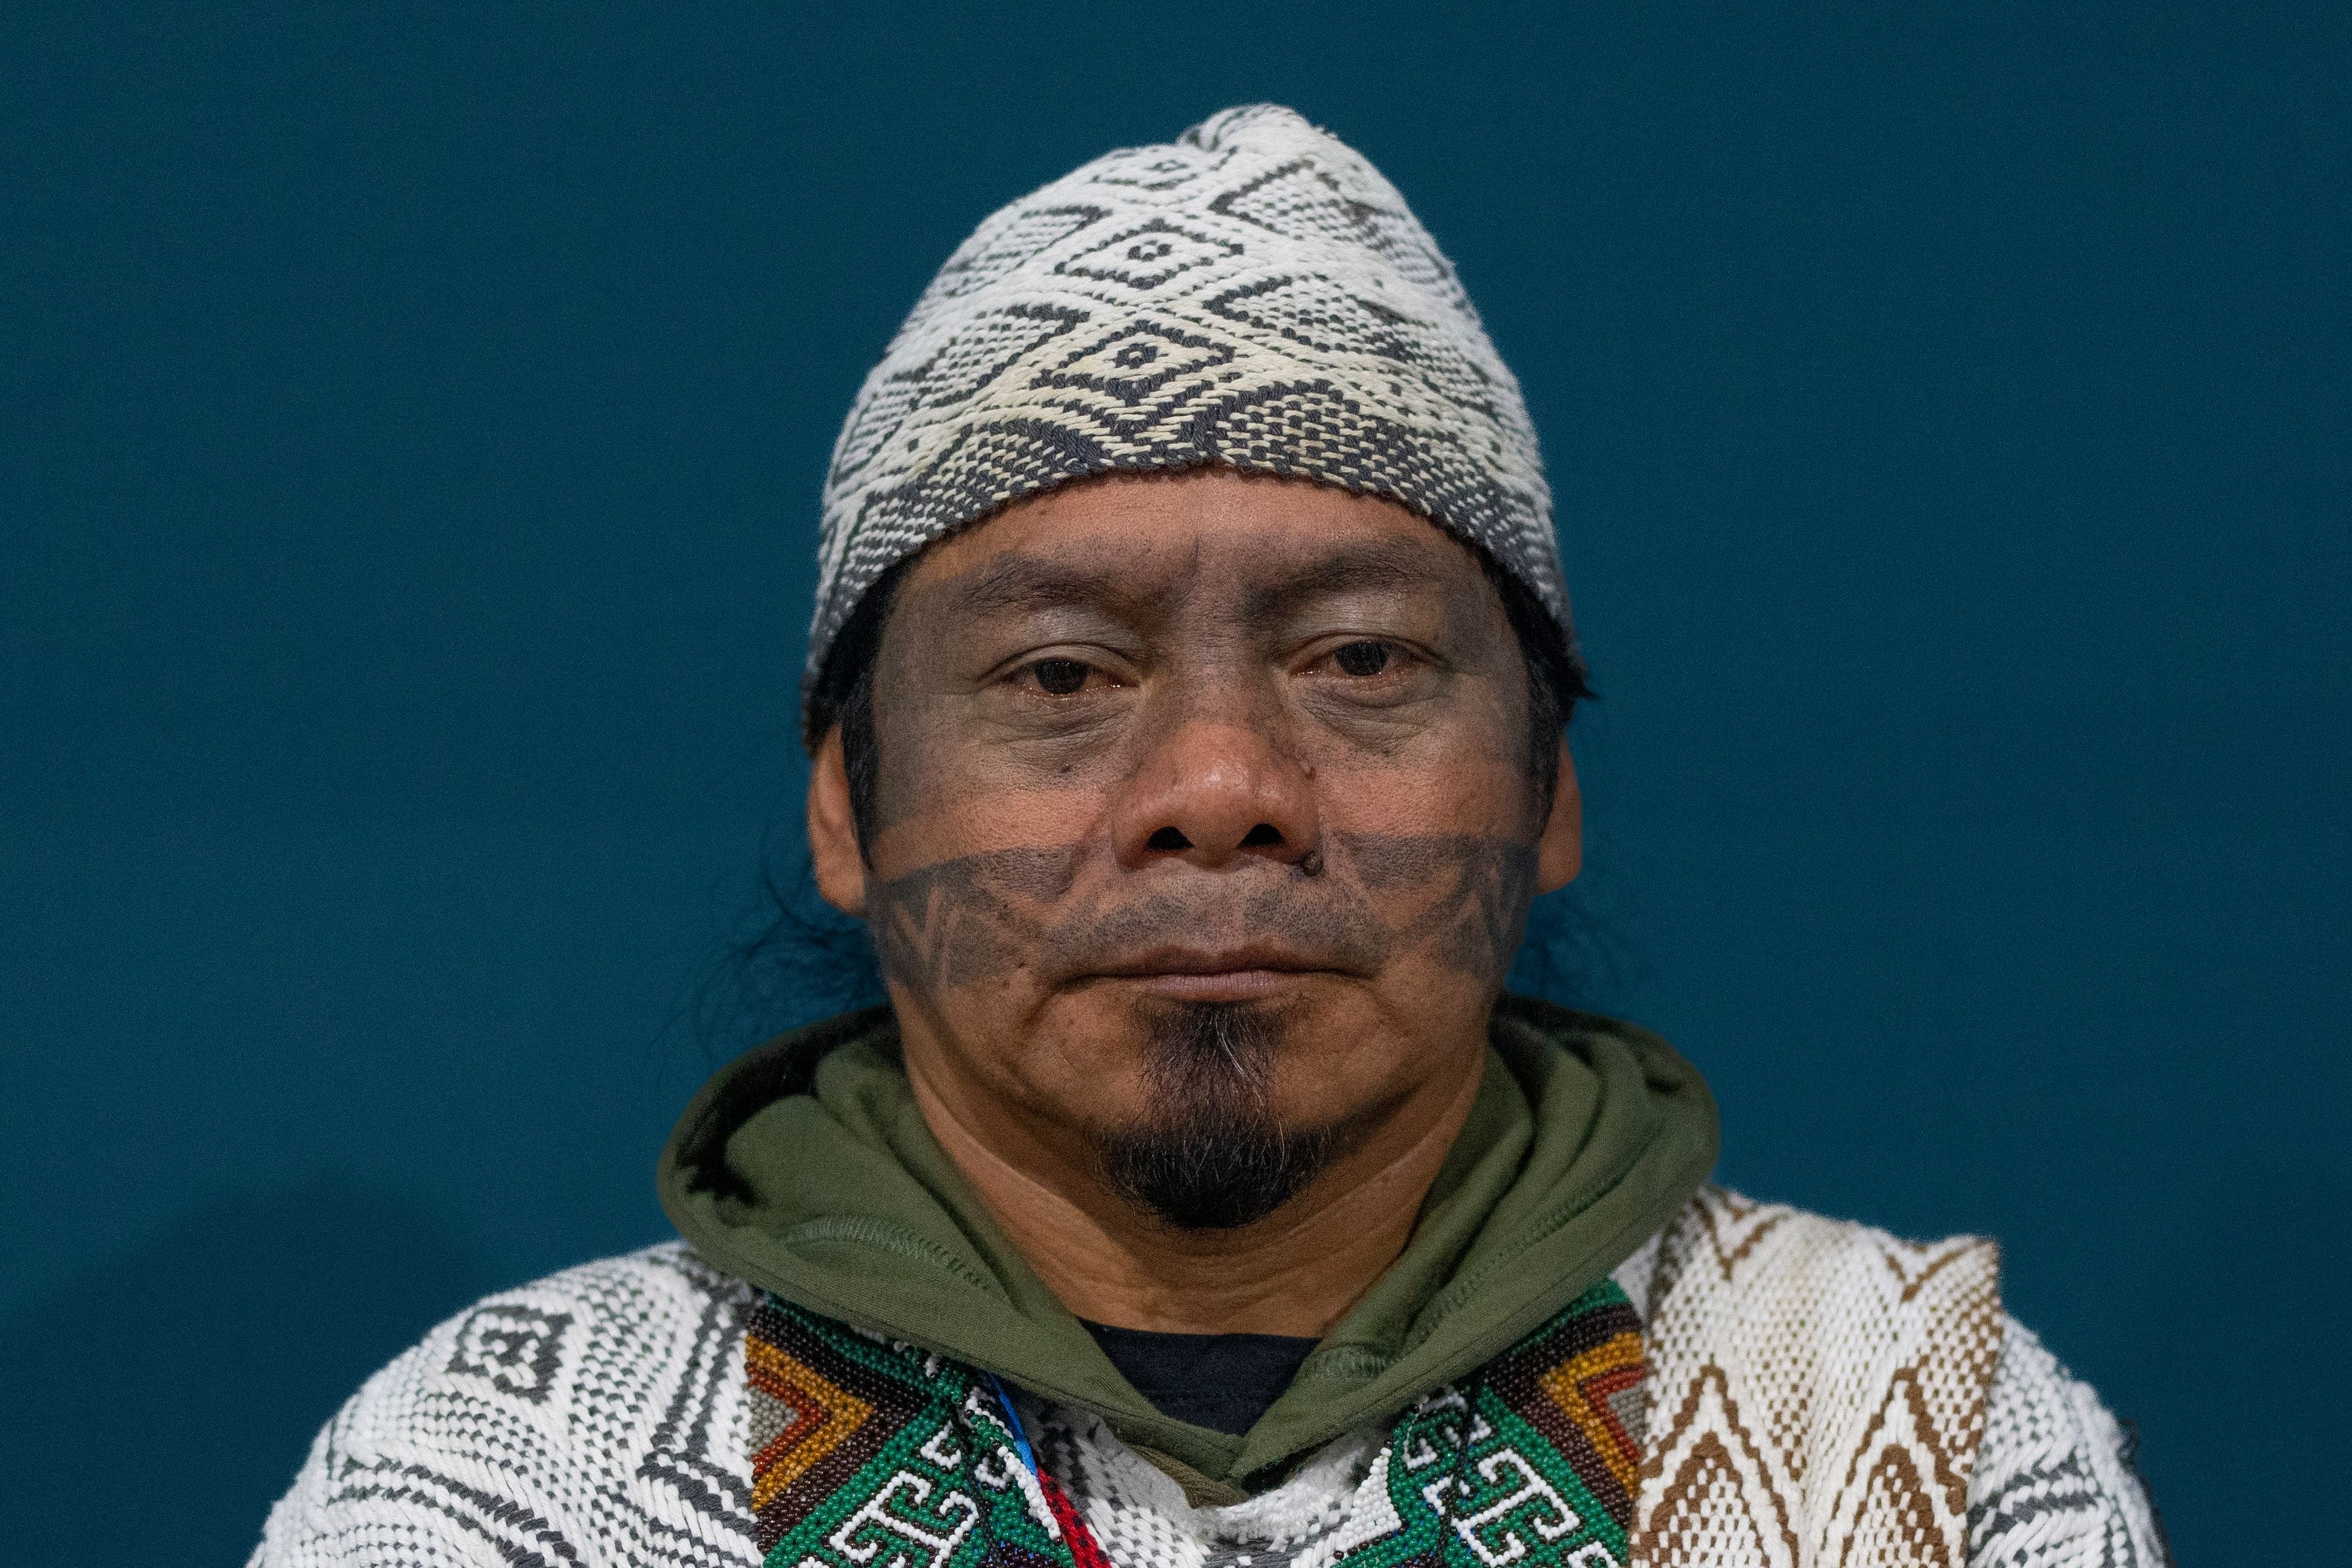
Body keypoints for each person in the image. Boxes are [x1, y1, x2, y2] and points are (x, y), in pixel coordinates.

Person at [254, 105, 2166, 1568]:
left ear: (1548, 790)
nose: (1219, 785)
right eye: (1064, 678)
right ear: (846, 804)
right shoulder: (509, 1485)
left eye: (1361, 656)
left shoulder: (1926, 1447)